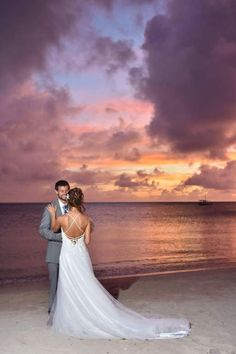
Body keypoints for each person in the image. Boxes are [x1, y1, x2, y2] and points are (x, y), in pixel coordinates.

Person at [47, 187, 190, 339]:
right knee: (86, 283)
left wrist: (52, 214)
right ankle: (90, 314)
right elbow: (87, 241)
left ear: (68, 200)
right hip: (81, 255)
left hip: (68, 256)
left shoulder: (62, 219)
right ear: (80, 200)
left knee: (69, 285)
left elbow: (54, 228)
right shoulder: (86, 220)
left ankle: (74, 318)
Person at [39, 180, 70, 314]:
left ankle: (68, 308)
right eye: (62, 191)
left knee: (69, 282)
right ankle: (52, 309)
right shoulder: (50, 208)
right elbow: (42, 230)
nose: (65, 193)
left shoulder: (73, 206)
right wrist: (60, 237)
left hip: (70, 252)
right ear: (56, 192)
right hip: (54, 253)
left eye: (66, 190)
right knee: (54, 283)